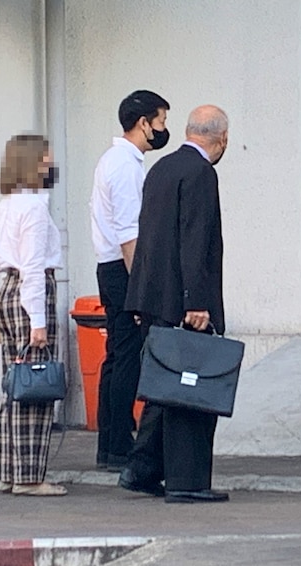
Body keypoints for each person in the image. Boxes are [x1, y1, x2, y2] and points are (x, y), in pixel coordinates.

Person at [118, 105, 230, 503]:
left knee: (162, 384)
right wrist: (197, 302)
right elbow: (194, 241)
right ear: (222, 139)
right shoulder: (201, 173)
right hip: (182, 301)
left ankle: (142, 467)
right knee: (183, 389)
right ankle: (174, 474)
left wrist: (138, 295)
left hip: (153, 296)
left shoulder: (160, 168)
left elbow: (147, 235)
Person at [90, 90, 170, 472]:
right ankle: (120, 443)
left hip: (111, 267)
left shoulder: (117, 160)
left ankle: (110, 443)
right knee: (127, 360)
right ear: (144, 123)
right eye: (161, 122)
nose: (162, 129)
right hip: (122, 268)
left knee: (117, 357)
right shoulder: (124, 165)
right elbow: (128, 232)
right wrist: (142, 287)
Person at [0, 134, 66, 496]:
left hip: (7, 289)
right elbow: (34, 265)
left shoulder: (7, 204)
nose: (51, 165)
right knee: (36, 385)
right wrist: (38, 320)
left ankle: (11, 471)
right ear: (34, 162)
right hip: (29, 292)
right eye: (46, 159)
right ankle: (30, 477)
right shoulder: (34, 207)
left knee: (14, 383)